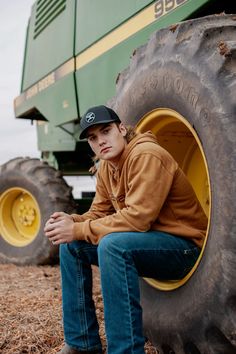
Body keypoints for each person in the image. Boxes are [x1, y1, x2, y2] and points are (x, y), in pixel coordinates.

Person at [44, 105, 208, 354]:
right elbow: (98, 214)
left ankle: (125, 350)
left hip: (185, 247)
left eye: (106, 131)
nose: (101, 141)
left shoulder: (147, 155)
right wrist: (70, 222)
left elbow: (138, 219)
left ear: (121, 128)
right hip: (149, 243)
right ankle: (82, 344)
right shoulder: (107, 168)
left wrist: (78, 229)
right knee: (71, 245)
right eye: (93, 138)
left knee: (113, 245)